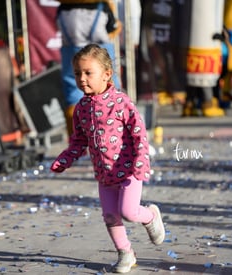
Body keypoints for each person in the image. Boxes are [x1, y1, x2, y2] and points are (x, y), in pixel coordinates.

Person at [50, 44, 165, 273]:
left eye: (88, 73)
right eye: (77, 74)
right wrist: (66, 158)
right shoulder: (81, 108)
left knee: (128, 211)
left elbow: (139, 133)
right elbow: (79, 141)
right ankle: (125, 253)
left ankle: (150, 215)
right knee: (111, 216)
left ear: (106, 74)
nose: (82, 79)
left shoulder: (122, 102)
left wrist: (141, 162)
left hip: (130, 170)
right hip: (104, 175)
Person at [56, 0, 121, 138]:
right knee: (109, 89)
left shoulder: (62, 9)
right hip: (97, 22)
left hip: (69, 23)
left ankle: (76, 142)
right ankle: (112, 137)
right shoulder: (102, 6)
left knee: (72, 89)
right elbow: (113, 28)